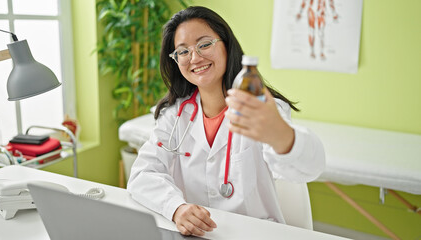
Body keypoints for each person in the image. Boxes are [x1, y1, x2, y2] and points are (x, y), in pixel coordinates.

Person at [127, 6, 325, 237]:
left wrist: (281, 135)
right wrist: (176, 208)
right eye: (182, 51)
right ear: (175, 60)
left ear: (227, 45)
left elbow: (307, 170)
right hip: (198, 235)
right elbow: (142, 175)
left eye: (204, 44)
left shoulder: (261, 108)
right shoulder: (175, 115)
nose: (195, 57)